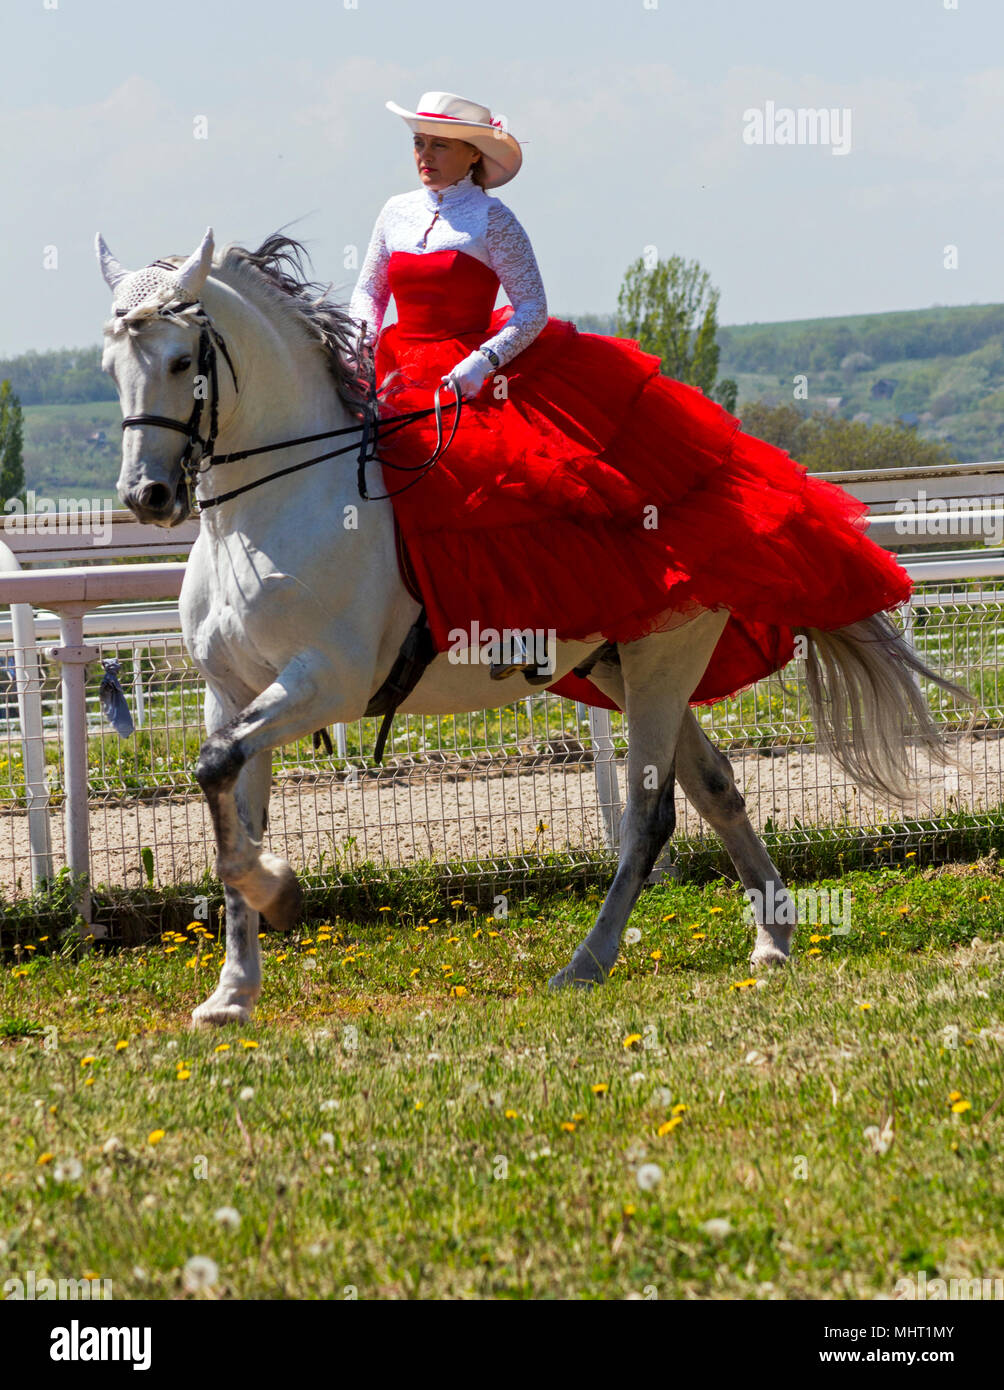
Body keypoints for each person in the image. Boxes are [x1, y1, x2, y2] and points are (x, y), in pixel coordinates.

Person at [348, 91, 911, 704]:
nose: (423, 155)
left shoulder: (494, 221)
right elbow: (368, 295)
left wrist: (483, 362)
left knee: (508, 492)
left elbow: (533, 308)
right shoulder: (395, 213)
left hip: (477, 375)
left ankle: (527, 634)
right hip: (398, 369)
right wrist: (359, 350)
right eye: (418, 143)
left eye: (438, 144)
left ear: (471, 154)